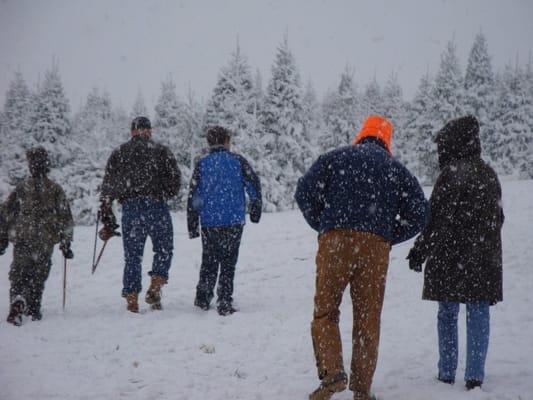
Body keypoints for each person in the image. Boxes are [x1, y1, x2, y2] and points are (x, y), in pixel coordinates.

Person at [295, 115, 428, 400]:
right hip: (375, 248)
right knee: (368, 318)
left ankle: (332, 374)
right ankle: (362, 390)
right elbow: (421, 213)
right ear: (387, 141)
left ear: (361, 135)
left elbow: (303, 190)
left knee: (325, 312)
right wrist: (389, 235)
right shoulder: (395, 169)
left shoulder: (335, 158)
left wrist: (323, 224)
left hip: (334, 242)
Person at [407, 115, 504, 391]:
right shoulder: (488, 174)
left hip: (450, 258)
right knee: (478, 312)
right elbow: (499, 217)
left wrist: (419, 251)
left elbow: (434, 220)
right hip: (484, 258)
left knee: (448, 313)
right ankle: (475, 377)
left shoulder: (450, 175)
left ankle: (446, 373)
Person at [99, 116, 181, 313]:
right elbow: (175, 182)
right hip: (156, 206)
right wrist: (162, 193)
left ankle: (132, 297)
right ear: (149, 130)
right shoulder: (161, 151)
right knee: (164, 249)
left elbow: (107, 189)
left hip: (131, 209)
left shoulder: (119, 153)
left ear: (132, 131)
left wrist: (108, 218)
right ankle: (155, 285)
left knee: (133, 256)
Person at [187, 126, 262, 316]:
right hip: (233, 220)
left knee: (209, 260)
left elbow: (193, 196)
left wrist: (192, 224)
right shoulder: (237, 161)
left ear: (209, 142)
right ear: (227, 141)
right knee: (229, 262)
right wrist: (255, 210)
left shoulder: (202, 164)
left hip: (210, 221)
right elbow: (253, 184)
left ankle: (203, 298)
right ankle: (224, 300)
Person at [0, 147, 74, 325]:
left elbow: (5, 212)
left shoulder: (22, 188)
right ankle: (33, 306)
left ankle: (18, 300)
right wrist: (66, 241)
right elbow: (66, 217)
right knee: (39, 274)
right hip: (45, 239)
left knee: (19, 272)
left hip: (23, 236)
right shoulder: (55, 189)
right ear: (46, 165)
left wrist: (2, 236)